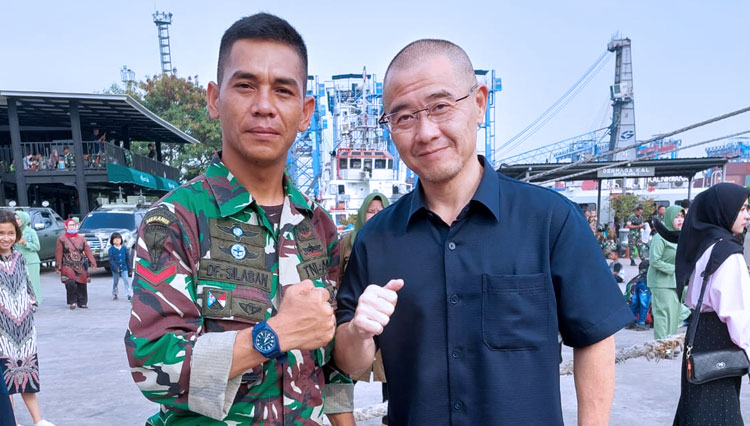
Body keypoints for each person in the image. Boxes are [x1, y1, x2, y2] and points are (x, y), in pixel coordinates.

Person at [333, 39, 633, 426]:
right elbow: (348, 361)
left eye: (440, 107)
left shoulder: (550, 220)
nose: (425, 132)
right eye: (404, 117)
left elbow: (593, 336)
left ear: (478, 103)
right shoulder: (376, 239)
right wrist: (358, 332)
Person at [125, 13, 346, 425]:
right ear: (214, 98)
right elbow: (154, 366)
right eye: (245, 85)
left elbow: (331, 369)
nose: (264, 106)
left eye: (283, 90)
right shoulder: (176, 219)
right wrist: (273, 335)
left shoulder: (319, 228)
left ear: (305, 112)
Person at [673, 183, 750, 426]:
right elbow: (738, 313)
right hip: (721, 340)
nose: (747, 215)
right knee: (721, 413)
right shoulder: (728, 253)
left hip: (699, 339)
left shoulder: (706, 245)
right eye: (742, 209)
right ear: (723, 211)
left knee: (697, 410)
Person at [327, 192, 390, 426]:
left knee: (391, 377)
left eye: (381, 210)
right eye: (371, 210)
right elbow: (337, 278)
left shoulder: (395, 240)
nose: (375, 215)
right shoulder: (348, 241)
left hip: (385, 318)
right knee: (343, 372)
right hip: (351, 317)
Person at [0, 210, 55, 426]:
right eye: (1, 233)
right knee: (6, 380)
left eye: (10, 233)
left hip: (24, 329)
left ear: (17, 233)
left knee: (27, 375)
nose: (6, 238)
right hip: (2, 331)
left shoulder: (20, 258)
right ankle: (11, 421)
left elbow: (29, 287)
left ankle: (37, 420)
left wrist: (29, 308)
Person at [648, 205, 687, 341]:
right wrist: (675, 269)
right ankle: (661, 346)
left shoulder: (680, 237)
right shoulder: (660, 237)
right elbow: (655, 261)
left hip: (676, 282)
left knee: (675, 314)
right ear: (669, 218)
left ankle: (671, 342)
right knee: (663, 314)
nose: (680, 220)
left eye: (682, 217)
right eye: (676, 217)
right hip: (661, 282)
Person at [55, 218, 96, 309]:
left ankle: (82, 302)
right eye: (70, 225)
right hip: (67, 264)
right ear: (66, 227)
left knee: (82, 283)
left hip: (80, 264)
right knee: (70, 283)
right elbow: (58, 253)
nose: (72, 227)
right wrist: (58, 266)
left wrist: (92, 262)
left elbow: (87, 250)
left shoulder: (82, 239)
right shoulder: (61, 239)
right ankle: (72, 301)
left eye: (73, 225)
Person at [15, 211, 42, 303]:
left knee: (32, 282)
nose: (17, 221)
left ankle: (34, 301)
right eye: (15, 219)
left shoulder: (31, 231)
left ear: (24, 219)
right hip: (17, 261)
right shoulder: (12, 232)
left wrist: (26, 243)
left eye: (19, 219)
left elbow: (37, 247)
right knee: (20, 283)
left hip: (31, 261)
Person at [628, 260, 652, 330]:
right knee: (644, 305)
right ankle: (641, 323)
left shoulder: (645, 264)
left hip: (639, 283)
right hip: (645, 284)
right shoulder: (649, 264)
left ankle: (630, 322)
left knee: (635, 304)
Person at [107, 232, 131, 301]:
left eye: (118, 239)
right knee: (116, 281)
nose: (117, 240)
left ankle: (128, 294)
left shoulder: (124, 248)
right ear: (112, 241)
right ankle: (115, 293)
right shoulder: (111, 250)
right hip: (115, 269)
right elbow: (111, 260)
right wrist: (116, 267)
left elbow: (128, 259)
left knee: (126, 280)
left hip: (124, 267)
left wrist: (129, 269)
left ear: (121, 240)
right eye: (115, 239)